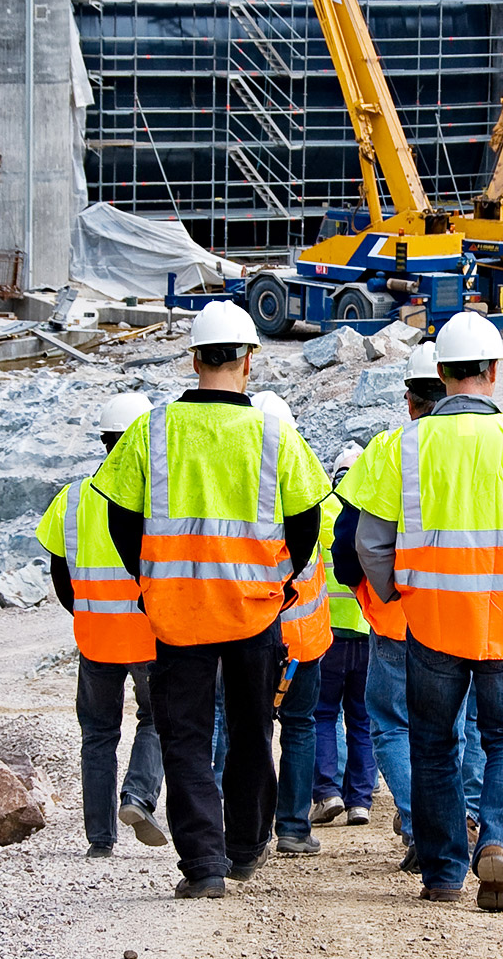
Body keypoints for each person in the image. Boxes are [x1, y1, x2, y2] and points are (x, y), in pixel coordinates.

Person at [340, 312, 503, 911]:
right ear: (493, 370)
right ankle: (499, 844)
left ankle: (443, 871)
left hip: (430, 625)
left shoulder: (405, 445)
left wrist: (394, 591)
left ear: (442, 373)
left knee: (432, 744)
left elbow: (369, 543)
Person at [92, 301, 330, 900]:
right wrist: (280, 582)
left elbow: (121, 517)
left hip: (176, 612)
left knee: (186, 738)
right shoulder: (276, 433)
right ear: (250, 361)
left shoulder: (151, 429)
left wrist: (149, 582)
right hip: (254, 610)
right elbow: (305, 522)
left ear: (194, 358)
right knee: (253, 731)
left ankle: (203, 865)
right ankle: (245, 848)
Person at [333, 342, 483, 877]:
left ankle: (424, 826)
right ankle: (463, 816)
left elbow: (349, 536)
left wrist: (370, 592)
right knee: (465, 724)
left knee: (394, 725)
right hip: (473, 615)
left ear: (410, 399)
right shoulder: (491, 444)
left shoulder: (387, 450)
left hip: (399, 618)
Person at [37, 391, 167, 859]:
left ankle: (100, 839)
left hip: (95, 637)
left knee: (97, 735)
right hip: (151, 636)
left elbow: (59, 573)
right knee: (157, 719)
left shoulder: (72, 498)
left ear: (104, 440)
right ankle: (137, 797)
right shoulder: (156, 498)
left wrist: (87, 612)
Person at [249, 390, 335, 858]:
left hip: (253, 633)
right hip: (304, 640)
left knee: (253, 728)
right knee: (300, 727)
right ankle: (293, 829)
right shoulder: (304, 481)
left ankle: (252, 830)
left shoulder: (243, 488)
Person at [310, 443, 377, 829]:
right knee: (362, 720)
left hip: (327, 636)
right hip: (367, 634)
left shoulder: (321, 514)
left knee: (323, 715)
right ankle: (360, 801)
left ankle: (327, 791)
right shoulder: (369, 515)